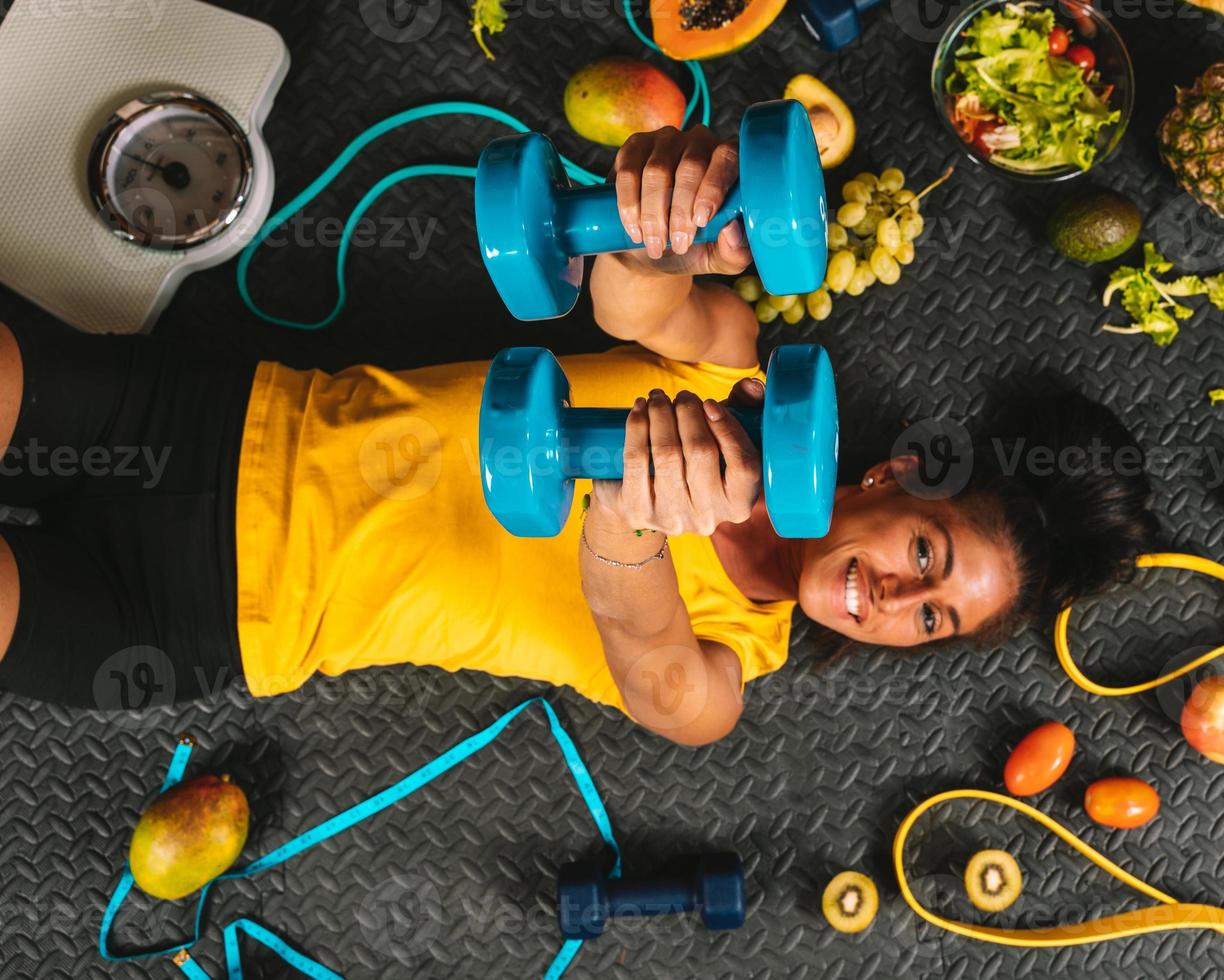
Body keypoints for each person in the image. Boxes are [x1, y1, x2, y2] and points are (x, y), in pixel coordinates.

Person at [0, 126, 1156, 745]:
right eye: (925, 559)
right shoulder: (743, 380)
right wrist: (656, 215)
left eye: (932, 620)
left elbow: (655, 681)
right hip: (221, 421)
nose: (896, 602)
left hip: (198, 619)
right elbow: (633, 300)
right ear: (897, 476)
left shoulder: (727, 669)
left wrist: (628, 522)